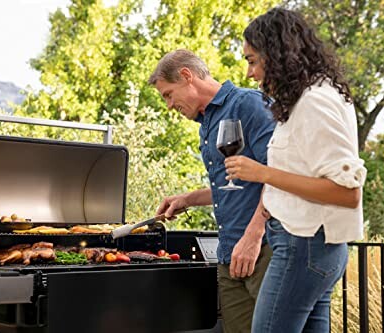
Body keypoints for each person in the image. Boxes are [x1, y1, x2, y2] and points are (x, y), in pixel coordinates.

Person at [224, 8, 367, 332]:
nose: (250, 73)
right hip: (309, 248)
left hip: (304, 248)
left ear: (277, 54)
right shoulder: (307, 98)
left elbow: (347, 193)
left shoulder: (315, 102)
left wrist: (262, 173)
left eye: (252, 60)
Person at [148, 49, 275, 332]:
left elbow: (276, 174)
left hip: (263, 249)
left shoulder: (247, 104)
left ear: (186, 76)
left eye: (168, 94)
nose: (169, 105)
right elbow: (232, 185)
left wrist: (254, 236)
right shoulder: (205, 124)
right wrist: (188, 199)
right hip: (229, 252)